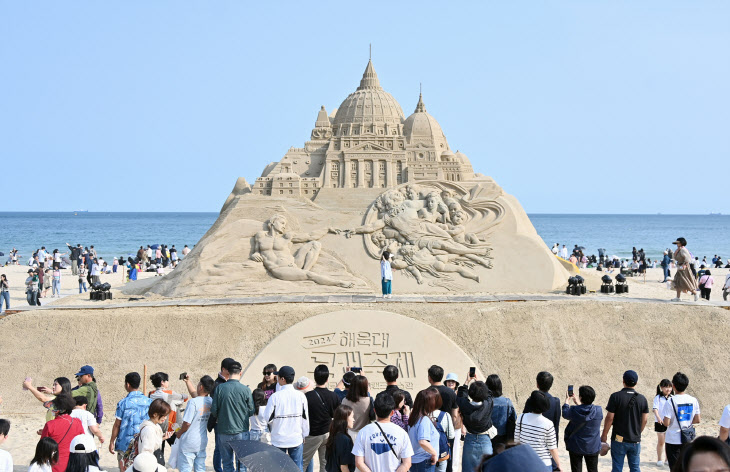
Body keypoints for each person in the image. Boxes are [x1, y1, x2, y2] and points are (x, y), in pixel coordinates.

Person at [209, 361, 254, 472]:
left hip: (223, 431)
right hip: (241, 431)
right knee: (242, 465)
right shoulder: (246, 390)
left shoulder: (219, 388)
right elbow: (251, 411)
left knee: (227, 464)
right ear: (240, 372)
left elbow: (214, 411)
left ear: (228, 372)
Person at [600, 370, 649, 472]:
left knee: (617, 467)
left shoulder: (615, 396)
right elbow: (645, 420)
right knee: (635, 468)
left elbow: (610, 418)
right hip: (635, 440)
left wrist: (604, 434)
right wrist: (638, 432)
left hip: (618, 439)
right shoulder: (642, 399)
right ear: (636, 382)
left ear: (623, 381)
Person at [353, 392, 413, 472]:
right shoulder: (402, 433)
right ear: (392, 412)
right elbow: (407, 463)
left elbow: (359, 463)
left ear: (374, 410)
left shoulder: (363, 432)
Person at [264, 365, 310, 470]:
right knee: (297, 467)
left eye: (278, 376)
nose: (276, 378)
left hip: (278, 439)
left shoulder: (275, 397)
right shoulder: (301, 396)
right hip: (296, 438)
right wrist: (304, 435)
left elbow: (267, 418)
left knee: (278, 468)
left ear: (282, 379)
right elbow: (305, 418)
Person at [110, 372, 152, 472]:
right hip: (143, 442)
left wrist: (112, 441)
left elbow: (117, 425)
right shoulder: (149, 402)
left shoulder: (123, 403)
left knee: (124, 468)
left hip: (125, 443)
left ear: (127, 384)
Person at [303, 365, 341, 472]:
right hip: (327, 433)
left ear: (315, 379)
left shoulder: (308, 396)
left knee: (303, 462)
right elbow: (337, 415)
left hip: (312, 434)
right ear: (327, 379)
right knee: (325, 464)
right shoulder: (334, 396)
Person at [452, 376, 494, 472]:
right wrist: (479, 382)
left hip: (470, 440)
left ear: (470, 394)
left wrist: (467, 381)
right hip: (485, 440)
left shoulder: (465, 406)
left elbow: (460, 396)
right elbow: (489, 394)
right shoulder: (488, 404)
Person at [515, 391, 562, 472]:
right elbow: (552, 448)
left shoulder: (521, 417)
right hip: (543, 464)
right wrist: (558, 464)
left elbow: (516, 440)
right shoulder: (548, 424)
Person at [661, 372, 701, 469]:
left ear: (673, 386)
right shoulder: (693, 400)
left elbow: (666, 423)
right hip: (688, 437)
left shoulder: (670, 401)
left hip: (673, 439)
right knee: (686, 467)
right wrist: (685, 422)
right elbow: (697, 419)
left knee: (675, 467)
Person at [175, 375, 214, 472]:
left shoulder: (193, 402)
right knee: (200, 468)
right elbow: (196, 395)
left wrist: (179, 432)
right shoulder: (210, 401)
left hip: (189, 441)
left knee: (185, 469)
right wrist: (188, 382)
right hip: (201, 441)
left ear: (201, 387)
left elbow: (187, 423)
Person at [562, 385, 602, 472]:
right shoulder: (598, 411)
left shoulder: (574, 410)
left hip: (575, 446)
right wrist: (579, 404)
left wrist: (567, 401)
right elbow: (587, 413)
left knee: (576, 470)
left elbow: (565, 414)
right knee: (593, 470)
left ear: (580, 397)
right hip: (592, 446)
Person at [41, 394, 85, 472]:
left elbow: (43, 447)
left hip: (55, 465)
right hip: (73, 463)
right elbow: (82, 441)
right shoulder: (77, 422)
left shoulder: (50, 425)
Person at [149, 372, 189, 454]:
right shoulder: (169, 393)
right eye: (167, 380)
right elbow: (185, 398)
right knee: (179, 449)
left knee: (158, 452)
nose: (168, 382)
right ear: (162, 382)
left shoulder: (150, 394)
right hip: (171, 426)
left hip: (157, 426)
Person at [407, 389, 441, 472]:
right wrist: (434, 453)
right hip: (424, 461)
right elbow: (422, 441)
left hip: (415, 460)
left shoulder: (414, 418)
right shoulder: (424, 419)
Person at [523, 372, 561, 442]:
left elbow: (525, 420)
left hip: (532, 440)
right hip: (547, 441)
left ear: (537, 384)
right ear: (551, 385)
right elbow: (556, 425)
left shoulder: (531, 400)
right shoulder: (556, 402)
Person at [138, 399, 173, 465]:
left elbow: (153, 443)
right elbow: (146, 453)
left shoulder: (155, 425)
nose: (165, 418)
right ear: (155, 414)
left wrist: (162, 437)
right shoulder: (149, 430)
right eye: (164, 415)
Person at [486, 374, 516, 447]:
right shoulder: (507, 402)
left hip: (488, 437)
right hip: (504, 438)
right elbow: (514, 418)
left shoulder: (486, 402)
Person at [341, 375, 373, 442]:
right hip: (365, 433)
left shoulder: (345, 400)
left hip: (350, 433)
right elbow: (373, 416)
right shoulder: (369, 400)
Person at [324, 405, 355, 472]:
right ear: (345, 419)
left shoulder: (333, 435)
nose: (353, 420)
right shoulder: (345, 439)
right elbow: (344, 467)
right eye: (352, 417)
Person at [671, 237, 699, 302]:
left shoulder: (683, 249)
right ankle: (678, 297)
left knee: (685, 281)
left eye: (678, 242)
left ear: (681, 243)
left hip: (684, 268)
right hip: (679, 267)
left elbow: (688, 258)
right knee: (677, 281)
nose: (677, 244)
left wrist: (685, 264)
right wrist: (676, 252)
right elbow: (675, 258)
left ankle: (695, 293)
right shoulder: (679, 249)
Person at [652, 379, 673, 467]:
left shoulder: (672, 398)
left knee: (669, 442)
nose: (668, 389)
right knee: (661, 441)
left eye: (670, 387)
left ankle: (667, 459)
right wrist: (658, 417)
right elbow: (655, 409)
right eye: (666, 387)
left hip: (670, 422)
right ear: (661, 388)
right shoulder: (658, 398)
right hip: (659, 422)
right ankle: (659, 459)